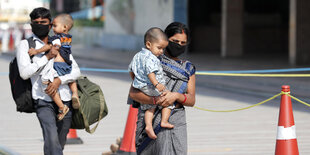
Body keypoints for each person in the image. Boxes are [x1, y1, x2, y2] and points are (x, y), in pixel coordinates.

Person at [16, 7, 80, 155]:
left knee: (59, 142)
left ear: (50, 25)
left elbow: (76, 71)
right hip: (42, 100)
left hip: (65, 100)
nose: (39, 25)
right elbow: (24, 74)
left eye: (43, 22)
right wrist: (46, 57)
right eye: (36, 22)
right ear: (31, 24)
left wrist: (59, 80)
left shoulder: (61, 43)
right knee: (51, 138)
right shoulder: (26, 46)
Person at [129, 22, 196, 155]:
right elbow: (133, 93)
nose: (179, 45)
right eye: (175, 41)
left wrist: (176, 96)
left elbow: (191, 100)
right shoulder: (150, 61)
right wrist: (156, 100)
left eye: (183, 43)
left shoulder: (188, 68)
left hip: (176, 121)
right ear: (166, 39)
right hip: (150, 118)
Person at [28, 13, 80, 120]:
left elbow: (49, 46)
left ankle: (62, 107)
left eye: (55, 26)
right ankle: (75, 94)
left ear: (64, 27)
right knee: (71, 80)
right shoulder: (68, 38)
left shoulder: (57, 38)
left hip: (57, 65)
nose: (53, 28)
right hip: (67, 64)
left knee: (48, 84)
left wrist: (36, 50)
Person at [128, 27, 174, 140]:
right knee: (168, 100)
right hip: (152, 86)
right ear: (148, 44)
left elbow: (131, 69)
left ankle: (148, 126)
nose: (161, 52)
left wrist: (135, 81)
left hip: (141, 86)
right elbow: (150, 72)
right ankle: (164, 121)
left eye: (163, 49)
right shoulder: (151, 58)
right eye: (159, 48)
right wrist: (157, 84)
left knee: (150, 107)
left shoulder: (138, 55)